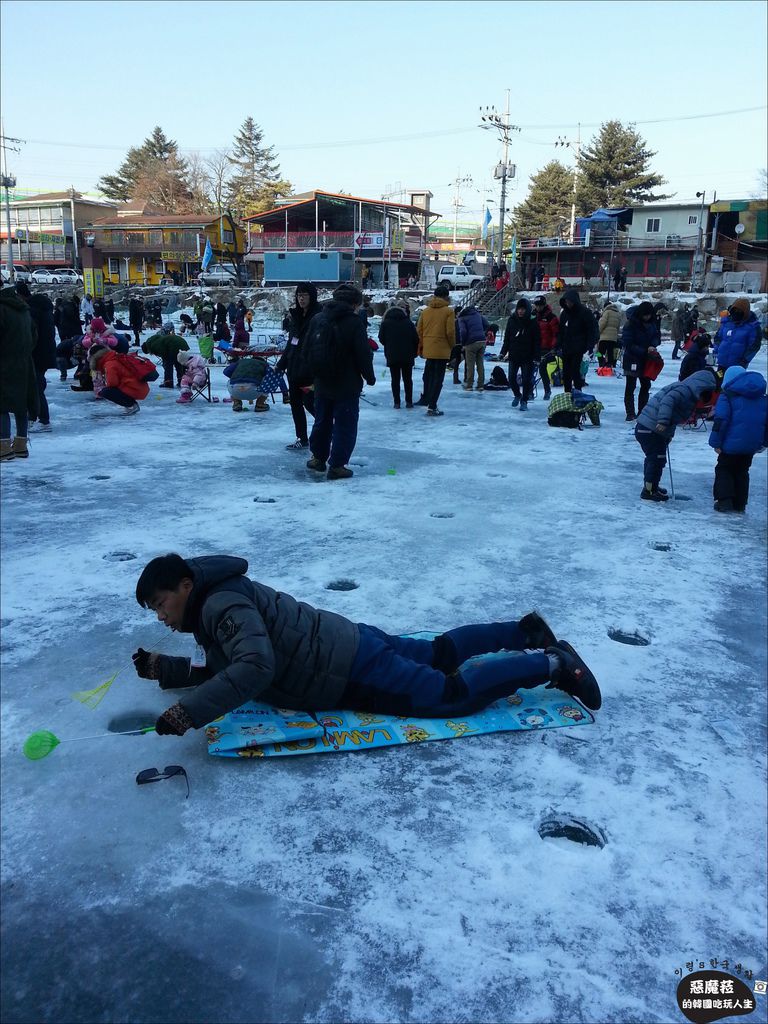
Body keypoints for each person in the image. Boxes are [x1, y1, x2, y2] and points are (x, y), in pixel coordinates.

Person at [132, 553, 602, 736]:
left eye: (161, 603)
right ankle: (526, 631)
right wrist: (168, 670)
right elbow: (226, 662)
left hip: (344, 668)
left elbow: (253, 667)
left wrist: (189, 712)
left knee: (450, 694)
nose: (161, 615)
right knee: (436, 652)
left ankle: (552, 662)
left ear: (187, 585)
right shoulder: (216, 601)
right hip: (348, 639)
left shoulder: (219, 608)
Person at [306, 283, 375, 479]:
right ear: (355, 303)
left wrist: (314, 374)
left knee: (322, 420)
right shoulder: (354, 323)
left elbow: (306, 349)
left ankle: (317, 458)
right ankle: (337, 465)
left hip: (322, 381)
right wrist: (369, 377)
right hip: (347, 383)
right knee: (345, 424)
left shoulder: (318, 319)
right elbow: (363, 354)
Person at [634, 369, 718, 502]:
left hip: (650, 429)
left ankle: (651, 486)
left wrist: (668, 434)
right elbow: (667, 401)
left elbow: (674, 417)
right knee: (656, 459)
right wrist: (662, 421)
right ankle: (649, 490)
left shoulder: (688, 392)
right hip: (650, 428)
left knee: (655, 459)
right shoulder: (684, 390)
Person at [708, 365, 768, 513]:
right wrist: (764, 442)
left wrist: (716, 442)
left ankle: (724, 501)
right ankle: (740, 503)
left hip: (730, 443)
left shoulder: (727, 396)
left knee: (724, 469)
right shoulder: (762, 397)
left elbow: (721, 420)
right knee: (742, 471)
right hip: (752, 444)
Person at [278, 282, 320, 450]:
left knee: (310, 403)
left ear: (312, 297)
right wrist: (282, 363)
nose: (301, 299)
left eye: (304, 295)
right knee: (295, 405)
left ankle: (326, 429)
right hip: (294, 368)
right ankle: (301, 437)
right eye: (299, 295)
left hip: (310, 370)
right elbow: (291, 342)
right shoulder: (295, 316)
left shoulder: (318, 316)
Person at [0, 286, 38, 461]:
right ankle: (21, 445)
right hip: (24, 362)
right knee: (21, 404)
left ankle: (3, 447)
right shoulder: (23, 310)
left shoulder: (2, 309)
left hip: (5, 363)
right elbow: (34, 336)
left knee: (2, 406)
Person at [17, 282, 56, 433]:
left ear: (21, 295)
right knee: (36, 386)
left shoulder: (32, 310)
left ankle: (43, 420)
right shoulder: (43, 307)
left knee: (36, 387)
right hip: (46, 352)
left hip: (37, 354)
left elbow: (32, 335)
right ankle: (35, 417)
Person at [416, 284, 455, 416]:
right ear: (446, 297)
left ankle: (426, 398)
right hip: (442, 349)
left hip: (428, 348)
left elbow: (419, 330)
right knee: (438, 379)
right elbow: (450, 332)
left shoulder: (425, 311)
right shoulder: (449, 311)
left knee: (428, 376)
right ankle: (432, 406)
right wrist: (452, 345)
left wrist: (422, 346)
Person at [500, 298, 540, 410]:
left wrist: (537, 356)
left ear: (527, 309)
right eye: (519, 309)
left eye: (523, 309)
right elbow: (507, 338)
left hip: (528, 356)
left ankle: (524, 401)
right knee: (511, 379)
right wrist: (503, 352)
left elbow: (537, 341)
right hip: (514, 355)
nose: (520, 311)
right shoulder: (512, 320)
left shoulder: (533, 322)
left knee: (526, 380)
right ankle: (518, 395)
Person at [621, 301, 659, 421]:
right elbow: (628, 343)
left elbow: (656, 337)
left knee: (645, 386)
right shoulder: (630, 324)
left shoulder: (652, 323)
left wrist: (653, 345)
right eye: (645, 315)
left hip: (646, 361)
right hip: (632, 359)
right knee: (630, 387)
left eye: (649, 315)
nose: (647, 317)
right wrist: (644, 350)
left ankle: (642, 411)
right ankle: (630, 413)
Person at [88, 344, 148, 415]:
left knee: (106, 391)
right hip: (138, 387)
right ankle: (130, 404)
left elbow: (112, 383)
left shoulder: (110, 364)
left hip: (135, 388)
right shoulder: (114, 358)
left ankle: (132, 405)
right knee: (109, 389)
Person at [379, 303, 419, 408]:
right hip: (408, 355)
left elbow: (381, 338)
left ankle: (396, 402)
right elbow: (416, 339)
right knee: (408, 379)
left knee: (395, 379)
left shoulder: (385, 324)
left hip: (392, 355)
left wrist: (389, 345)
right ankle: (409, 401)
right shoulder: (408, 323)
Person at [558, 289, 596, 394]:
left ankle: (578, 392)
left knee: (575, 371)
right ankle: (567, 393)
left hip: (579, 348)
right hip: (566, 348)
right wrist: (558, 345)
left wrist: (590, 346)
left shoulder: (585, 313)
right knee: (566, 373)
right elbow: (561, 331)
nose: (568, 304)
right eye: (566, 302)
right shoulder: (564, 314)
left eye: (570, 301)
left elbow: (591, 330)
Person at [714, 298, 762, 371]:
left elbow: (754, 346)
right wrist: (717, 350)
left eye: (739, 311)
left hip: (738, 365)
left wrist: (744, 360)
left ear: (745, 312)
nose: (736, 313)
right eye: (734, 310)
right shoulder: (726, 322)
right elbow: (718, 338)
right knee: (719, 381)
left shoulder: (752, 327)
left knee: (734, 382)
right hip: (722, 363)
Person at [141, 324, 189, 388]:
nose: (150, 354)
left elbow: (164, 354)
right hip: (182, 343)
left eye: (148, 352)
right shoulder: (156, 340)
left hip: (174, 346)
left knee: (168, 366)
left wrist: (165, 362)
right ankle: (182, 382)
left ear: (147, 349)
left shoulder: (154, 345)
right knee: (179, 364)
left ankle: (168, 383)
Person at [456, 304, 490, 391]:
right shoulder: (477, 314)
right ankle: (480, 385)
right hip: (482, 341)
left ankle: (469, 385)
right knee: (480, 364)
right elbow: (487, 324)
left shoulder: (462, 318)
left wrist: (463, 343)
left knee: (470, 365)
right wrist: (482, 332)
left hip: (471, 343)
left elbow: (463, 331)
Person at [533, 296, 559, 399]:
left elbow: (556, 334)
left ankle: (547, 390)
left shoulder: (551, 317)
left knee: (542, 369)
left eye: (540, 305)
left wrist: (553, 347)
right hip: (535, 346)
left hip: (547, 348)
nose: (538, 307)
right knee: (531, 369)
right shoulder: (533, 315)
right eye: (537, 305)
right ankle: (529, 392)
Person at [597, 300, 621, 371]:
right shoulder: (617, 313)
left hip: (604, 336)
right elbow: (618, 326)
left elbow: (602, 323)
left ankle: (601, 365)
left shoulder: (606, 312)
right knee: (610, 352)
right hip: (613, 337)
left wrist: (598, 332)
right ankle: (609, 365)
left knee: (599, 352)